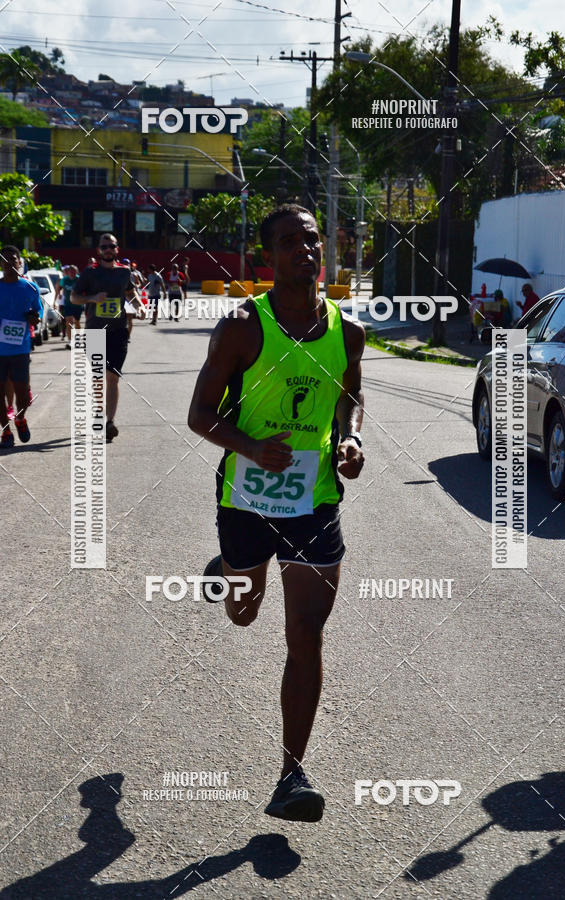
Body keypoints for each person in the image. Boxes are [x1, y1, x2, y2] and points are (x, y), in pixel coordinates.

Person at [188, 204, 365, 823]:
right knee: (243, 613)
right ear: (270, 257)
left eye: (312, 240)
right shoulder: (242, 327)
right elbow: (200, 415)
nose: (305, 251)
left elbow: (350, 398)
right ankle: (231, 568)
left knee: (306, 635)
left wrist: (350, 440)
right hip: (246, 498)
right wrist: (250, 448)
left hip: (313, 500)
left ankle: (292, 774)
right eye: (290, 243)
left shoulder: (347, 332)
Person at [70, 234, 146, 443]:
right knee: (97, 377)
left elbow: (130, 293)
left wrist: (139, 306)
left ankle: (109, 422)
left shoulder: (124, 272)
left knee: (113, 376)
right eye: (104, 246)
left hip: (118, 330)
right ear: (98, 250)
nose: (108, 249)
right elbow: (74, 297)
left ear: (117, 249)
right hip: (94, 331)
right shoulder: (89, 273)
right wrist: (91, 298)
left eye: (111, 246)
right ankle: (99, 410)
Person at [0, 246, 44, 448]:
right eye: (5, 259)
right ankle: (5, 431)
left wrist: (34, 318)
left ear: (20, 262)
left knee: (23, 393)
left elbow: (38, 314)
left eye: (13, 259)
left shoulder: (30, 288)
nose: (9, 263)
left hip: (20, 350)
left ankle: (20, 418)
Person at [55, 265, 81, 349]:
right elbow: (59, 287)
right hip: (68, 304)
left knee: (77, 322)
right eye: (70, 271)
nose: (72, 273)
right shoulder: (64, 280)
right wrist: (59, 294)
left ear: (76, 272)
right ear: (68, 272)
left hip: (78, 304)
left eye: (74, 271)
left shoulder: (79, 279)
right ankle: (70, 341)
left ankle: (78, 339)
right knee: (69, 322)